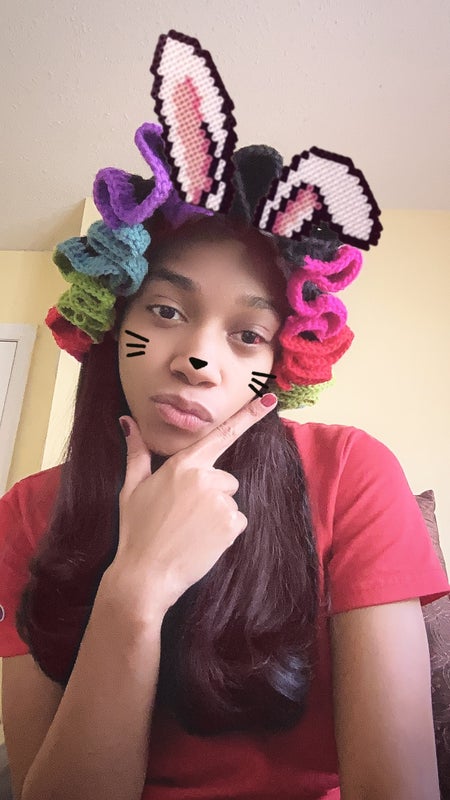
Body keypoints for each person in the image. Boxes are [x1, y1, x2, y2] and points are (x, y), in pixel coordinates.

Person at [1, 29, 449, 800]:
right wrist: (136, 586)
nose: (199, 359)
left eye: (248, 335)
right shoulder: (25, 514)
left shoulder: (351, 473)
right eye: (167, 310)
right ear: (113, 320)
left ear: (286, 357)